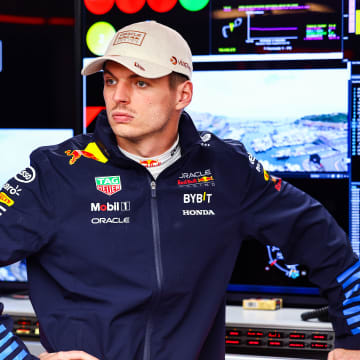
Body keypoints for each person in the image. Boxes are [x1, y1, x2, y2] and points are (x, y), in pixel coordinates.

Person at [0, 20, 360, 360]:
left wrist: (354, 339)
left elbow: (324, 242)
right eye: (111, 81)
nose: (118, 97)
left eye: (140, 83)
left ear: (182, 93)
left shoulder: (227, 169)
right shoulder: (57, 172)